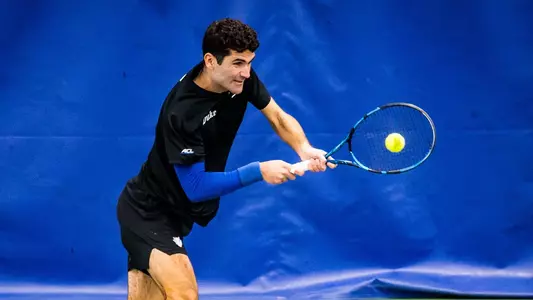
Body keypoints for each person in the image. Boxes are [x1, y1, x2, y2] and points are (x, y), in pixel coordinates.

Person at [116, 17, 334, 300]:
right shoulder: (182, 112)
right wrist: (259, 170)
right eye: (238, 63)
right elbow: (195, 187)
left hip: (175, 214)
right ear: (210, 61)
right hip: (148, 211)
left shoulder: (240, 81)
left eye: (250, 62)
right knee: (184, 294)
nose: (246, 72)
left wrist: (304, 148)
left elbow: (278, 117)